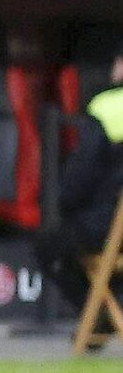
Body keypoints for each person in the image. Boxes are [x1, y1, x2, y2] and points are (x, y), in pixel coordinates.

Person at [39, 48, 123, 341]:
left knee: (48, 248)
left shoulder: (109, 106)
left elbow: (80, 175)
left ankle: (104, 314)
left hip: (109, 228)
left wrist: (63, 206)